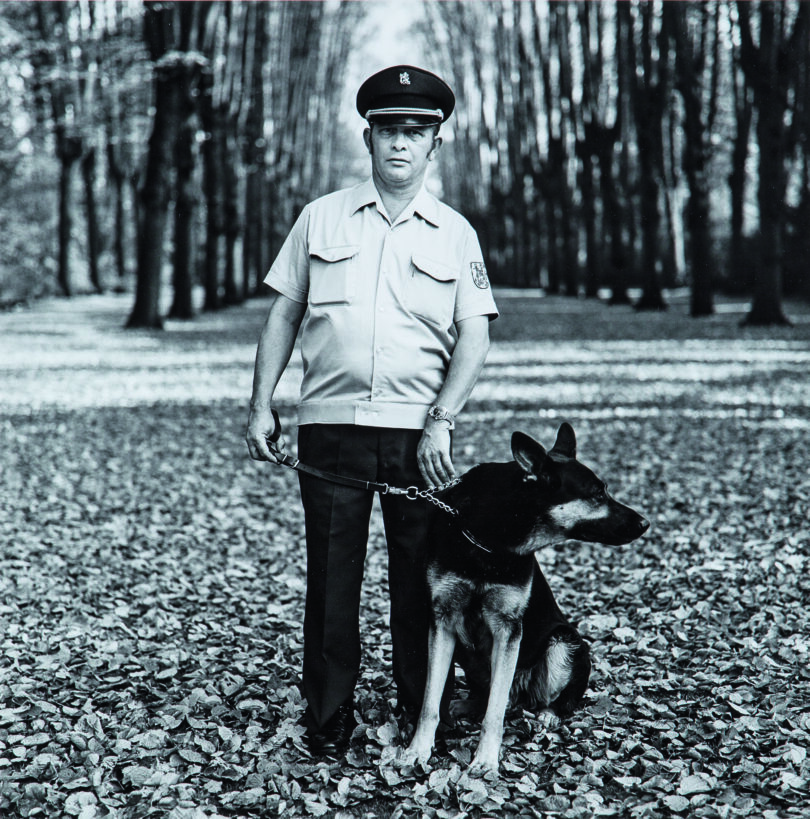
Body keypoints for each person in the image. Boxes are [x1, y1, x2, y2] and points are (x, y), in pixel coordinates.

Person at [245, 65, 498, 757]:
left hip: (420, 434)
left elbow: (475, 333)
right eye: (389, 129)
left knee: (422, 580)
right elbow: (284, 313)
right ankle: (328, 718)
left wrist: (442, 416)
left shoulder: (454, 232)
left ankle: (425, 715)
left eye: (416, 131)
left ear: (435, 143)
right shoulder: (320, 217)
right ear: (369, 136)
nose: (401, 144)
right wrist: (261, 402)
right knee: (332, 578)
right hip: (330, 425)